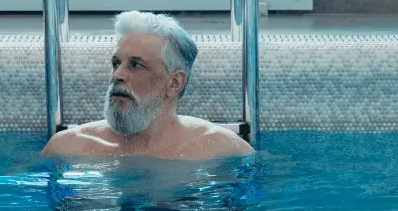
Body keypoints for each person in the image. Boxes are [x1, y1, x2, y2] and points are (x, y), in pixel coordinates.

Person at [42, 11, 254, 160]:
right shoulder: (69, 149)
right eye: (116, 63)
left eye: (136, 65)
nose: (117, 75)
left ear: (174, 83)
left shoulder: (219, 149)